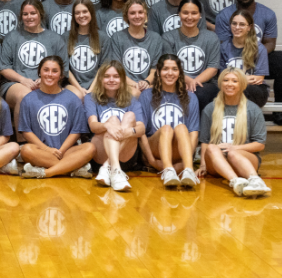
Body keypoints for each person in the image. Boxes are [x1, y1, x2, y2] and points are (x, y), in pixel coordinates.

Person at [214, 0, 282, 125]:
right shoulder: (224, 15)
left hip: (256, 53)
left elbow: (270, 43)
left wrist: (254, 54)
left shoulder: (267, 13)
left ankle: (280, 111)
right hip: (233, 53)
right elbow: (223, 43)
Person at [18, 56, 96, 179]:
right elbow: (26, 131)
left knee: (90, 148)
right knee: (26, 150)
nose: (50, 74)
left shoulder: (72, 98)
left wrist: (61, 150)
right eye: (46, 70)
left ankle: (46, 172)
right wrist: (47, 149)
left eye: (55, 71)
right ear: (39, 72)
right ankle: (72, 168)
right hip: (42, 151)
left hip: (67, 151)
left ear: (60, 75)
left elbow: (77, 131)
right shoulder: (28, 99)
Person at [196, 68, 270, 197]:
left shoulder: (253, 109)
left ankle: (256, 182)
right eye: (226, 80)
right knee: (213, 147)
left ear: (242, 84)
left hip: (243, 159)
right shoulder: (210, 108)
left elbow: (260, 144)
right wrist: (203, 165)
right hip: (216, 162)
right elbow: (205, 141)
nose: (229, 84)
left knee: (233, 153)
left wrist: (234, 148)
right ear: (220, 84)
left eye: (234, 81)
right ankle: (236, 182)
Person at [0, 0, 70, 131]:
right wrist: (23, 80)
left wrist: (46, 80)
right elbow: (4, 67)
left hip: (49, 82)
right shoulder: (12, 37)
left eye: (33, 13)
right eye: (25, 14)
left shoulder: (54, 38)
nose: (29, 17)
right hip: (16, 83)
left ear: (40, 14)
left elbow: (64, 69)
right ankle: (22, 144)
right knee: (25, 96)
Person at [138, 54, 201, 188]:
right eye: (165, 69)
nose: (170, 73)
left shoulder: (191, 97)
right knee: (167, 128)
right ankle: (168, 171)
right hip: (154, 149)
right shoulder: (146, 95)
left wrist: (184, 163)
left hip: (179, 151)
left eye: (174, 69)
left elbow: (194, 133)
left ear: (180, 73)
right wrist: (151, 160)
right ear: (159, 72)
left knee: (182, 127)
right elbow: (141, 132)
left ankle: (188, 171)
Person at [85, 61, 145, 192]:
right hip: (100, 150)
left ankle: (109, 167)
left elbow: (141, 128)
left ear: (122, 80)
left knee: (129, 116)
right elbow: (93, 126)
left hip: (126, 154)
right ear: (100, 78)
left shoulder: (131, 99)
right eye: (107, 76)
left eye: (116, 76)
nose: (111, 80)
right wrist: (108, 126)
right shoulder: (91, 98)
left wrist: (128, 131)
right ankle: (115, 170)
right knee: (112, 119)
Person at [163, 0, 221, 111]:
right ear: (179, 14)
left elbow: (213, 68)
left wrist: (194, 82)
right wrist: (188, 81)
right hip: (176, 80)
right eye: (185, 13)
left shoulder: (211, 37)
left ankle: (199, 128)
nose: (189, 17)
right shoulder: (168, 37)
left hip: (206, 83)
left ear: (200, 15)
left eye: (194, 13)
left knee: (199, 93)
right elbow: (169, 67)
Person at [106, 0, 164, 95]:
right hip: (125, 84)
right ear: (126, 16)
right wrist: (135, 85)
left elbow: (155, 68)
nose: (137, 16)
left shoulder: (156, 38)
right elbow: (117, 69)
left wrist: (146, 82)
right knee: (135, 94)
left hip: (148, 84)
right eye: (132, 13)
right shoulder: (117, 37)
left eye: (140, 12)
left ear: (145, 15)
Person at [221, 10, 270, 107]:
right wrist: (243, 79)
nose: (237, 27)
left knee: (247, 90)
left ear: (249, 27)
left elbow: (259, 78)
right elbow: (222, 76)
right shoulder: (223, 47)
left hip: (255, 89)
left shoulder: (259, 48)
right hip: (230, 87)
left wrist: (235, 80)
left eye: (242, 24)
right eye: (234, 23)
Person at [65, 0, 105, 95]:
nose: (81, 15)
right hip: (72, 85)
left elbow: (103, 67)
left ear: (91, 13)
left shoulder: (103, 37)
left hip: (97, 84)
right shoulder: (65, 37)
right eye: (77, 13)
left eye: (85, 11)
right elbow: (65, 67)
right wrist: (79, 89)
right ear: (74, 16)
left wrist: (91, 89)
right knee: (78, 96)